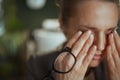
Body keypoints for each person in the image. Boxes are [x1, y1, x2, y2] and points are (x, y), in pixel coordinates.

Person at [27, 0, 120, 80]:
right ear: (63, 25)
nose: (101, 46)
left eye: (109, 32)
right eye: (88, 33)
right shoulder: (36, 67)